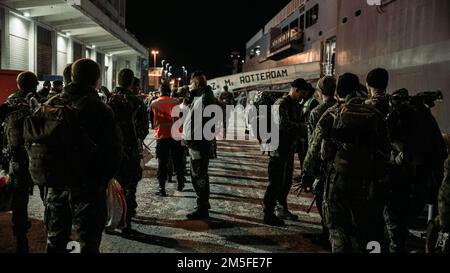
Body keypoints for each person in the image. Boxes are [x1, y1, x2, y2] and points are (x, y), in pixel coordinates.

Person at [42, 59, 122, 252]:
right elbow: (114, 151)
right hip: (88, 188)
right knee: (88, 242)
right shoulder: (100, 109)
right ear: (96, 80)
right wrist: (104, 179)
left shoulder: (51, 103)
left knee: (55, 239)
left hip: (56, 184)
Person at [304, 73, 390, 252]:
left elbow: (313, 152)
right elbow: (385, 149)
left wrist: (309, 173)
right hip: (367, 182)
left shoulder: (332, 113)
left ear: (338, 92)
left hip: (337, 181)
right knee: (364, 229)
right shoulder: (375, 114)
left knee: (338, 230)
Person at [0, 72, 40, 252]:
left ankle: (21, 237)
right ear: (35, 84)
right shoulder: (44, 102)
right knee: (49, 196)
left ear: (18, 84)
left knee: (19, 199)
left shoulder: (9, 104)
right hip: (41, 158)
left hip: (18, 159)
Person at [109, 68, 149, 233]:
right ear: (132, 82)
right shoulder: (137, 102)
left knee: (112, 186)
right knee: (130, 186)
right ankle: (127, 221)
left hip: (112, 151)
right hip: (130, 150)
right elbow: (144, 129)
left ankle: (112, 218)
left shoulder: (108, 99)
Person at [263, 79, 308, 226]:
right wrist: (303, 127)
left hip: (288, 148)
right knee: (275, 182)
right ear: (295, 89)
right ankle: (268, 213)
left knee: (286, 181)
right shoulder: (281, 103)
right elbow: (283, 125)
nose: (303, 96)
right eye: (302, 93)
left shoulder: (296, 105)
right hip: (277, 148)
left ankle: (281, 208)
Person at [301, 76, 337, 244]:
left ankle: (326, 234)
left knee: (323, 199)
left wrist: (307, 170)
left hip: (323, 167)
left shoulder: (317, 111)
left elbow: (312, 144)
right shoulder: (341, 107)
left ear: (320, 91)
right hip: (340, 165)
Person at [184, 71, 218, 220]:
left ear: (196, 83)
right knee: (198, 174)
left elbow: (201, 125)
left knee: (199, 175)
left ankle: (202, 207)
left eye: (191, 83)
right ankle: (203, 203)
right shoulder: (201, 97)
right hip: (197, 143)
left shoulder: (204, 99)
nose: (190, 86)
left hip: (199, 144)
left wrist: (192, 141)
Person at [151, 83, 186, 196]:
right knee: (177, 160)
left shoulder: (154, 103)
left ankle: (162, 189)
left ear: (160, 92)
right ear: (169, 91)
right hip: (175, 135)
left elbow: (152, 121)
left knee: (162, 163)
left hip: (161, 135)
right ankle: (180, 184)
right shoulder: (176, 102)